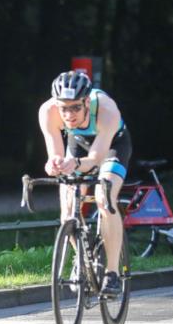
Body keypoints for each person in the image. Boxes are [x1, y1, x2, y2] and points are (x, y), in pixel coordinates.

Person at [37, 70, 132, 297]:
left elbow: (96, 159)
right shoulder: (48, 111)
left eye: (75, 108)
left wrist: (76, 164)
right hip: (78, 144)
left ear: (87, 102)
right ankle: (82, 256)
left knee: (104, 198)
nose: (68, 114)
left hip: (112, 146)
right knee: (68, 210)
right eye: (64, 108)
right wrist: (54, 164)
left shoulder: (107, 110)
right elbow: (55, 154)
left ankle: (112, 272)